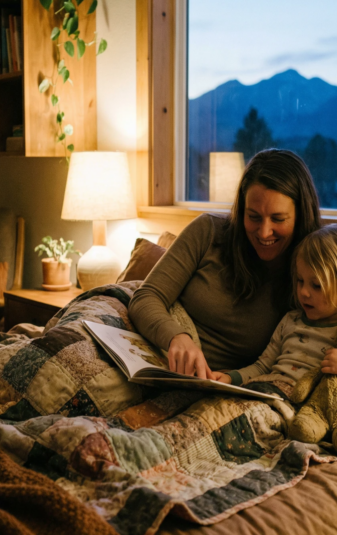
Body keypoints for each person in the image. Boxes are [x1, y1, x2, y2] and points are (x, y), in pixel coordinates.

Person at [128, 149, 322, 379]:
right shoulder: (209, 231)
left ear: (301, 216)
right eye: (253, 216)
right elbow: (145, 296)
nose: (264, 231)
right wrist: (177, 337)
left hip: (212, 381)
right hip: (152, 344)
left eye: (278, 219)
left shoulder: (312, 273)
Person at [211, 224, 337, 409]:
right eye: (300, 280)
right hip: (262, 393)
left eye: (316, 285)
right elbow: (263, 366)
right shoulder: (291, 320)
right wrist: (231, 378)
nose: (304, 292)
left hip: (297, 410)